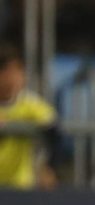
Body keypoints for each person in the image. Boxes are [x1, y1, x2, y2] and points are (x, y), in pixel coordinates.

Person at [0, 42, 57, 190]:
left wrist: (47, 166)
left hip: (20, 186)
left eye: (17, 72)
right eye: (6, 72)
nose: (11, 79)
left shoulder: (30, 105)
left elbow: (53, 129)